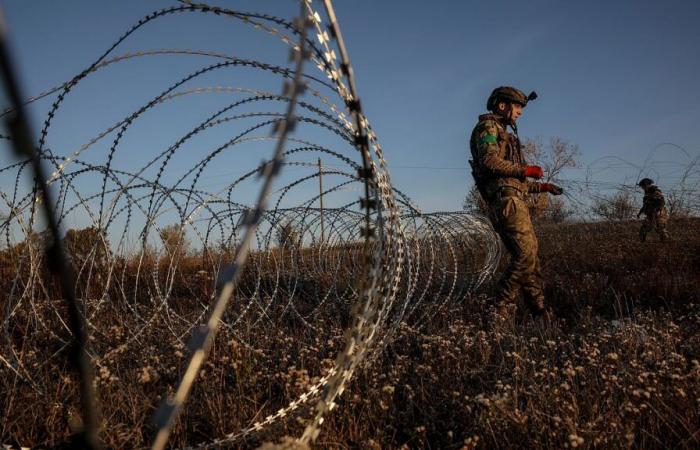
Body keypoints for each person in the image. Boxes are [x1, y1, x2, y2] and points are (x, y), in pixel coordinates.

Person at [468, 86, 563, 322]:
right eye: (517, 106)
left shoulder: (504, 132)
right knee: (525, 255)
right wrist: (525, 170)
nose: (519, 112)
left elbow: (513, 180)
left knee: (531, 258)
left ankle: (539, 312)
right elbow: (489, 162)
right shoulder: (487, 128)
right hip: (506, 202)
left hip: (513, 198)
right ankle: (497, 308)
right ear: (502, 106)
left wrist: (542, 187)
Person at [636, 178, 669, 242]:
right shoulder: (646, 193)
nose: (642, 188)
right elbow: (645, 204)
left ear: (647, 185)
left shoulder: (656, 191)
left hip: (658, 212)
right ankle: (642, 242)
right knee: (645, 227)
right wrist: (640, 212)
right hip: (650, 213)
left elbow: (662, 202)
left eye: (643, 186)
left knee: (660, 227)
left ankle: (666, 242)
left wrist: (657, 210)